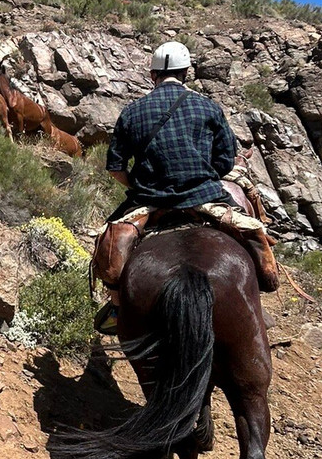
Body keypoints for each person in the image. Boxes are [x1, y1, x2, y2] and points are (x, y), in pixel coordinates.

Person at [92, 40, 278, 333]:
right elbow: (226, 161)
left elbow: (116, 167)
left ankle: (117, 307)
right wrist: (204, 175)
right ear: (186, 73)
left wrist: (138, 185)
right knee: (252, 230)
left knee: (108, 242)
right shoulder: (207, 106)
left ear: (152, 75)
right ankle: (260, 289)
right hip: (203, 196)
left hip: (150, 199)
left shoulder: (132, 111)